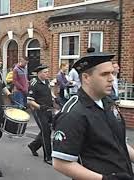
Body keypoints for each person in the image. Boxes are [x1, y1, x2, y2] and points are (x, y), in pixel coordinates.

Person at [52, 49, 134, 180]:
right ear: (86, 78)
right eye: (104, 74)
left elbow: (120, 143)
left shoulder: (108, 102)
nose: (112, 79)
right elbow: (61, 163)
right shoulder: (73, 113)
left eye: (112, 73)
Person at [27, 64, 53, 165]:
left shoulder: (46, 81)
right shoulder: (34, 84)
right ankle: (48, 157)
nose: (47, 74)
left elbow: (48, 92)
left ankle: (33, 146)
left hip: (48, 109)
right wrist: (40, 107)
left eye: (47, 72)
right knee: (46, 133)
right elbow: (29, 101)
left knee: (47, 130)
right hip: (39, 111)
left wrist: (54, 98)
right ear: (39, 73)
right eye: (45, 72)